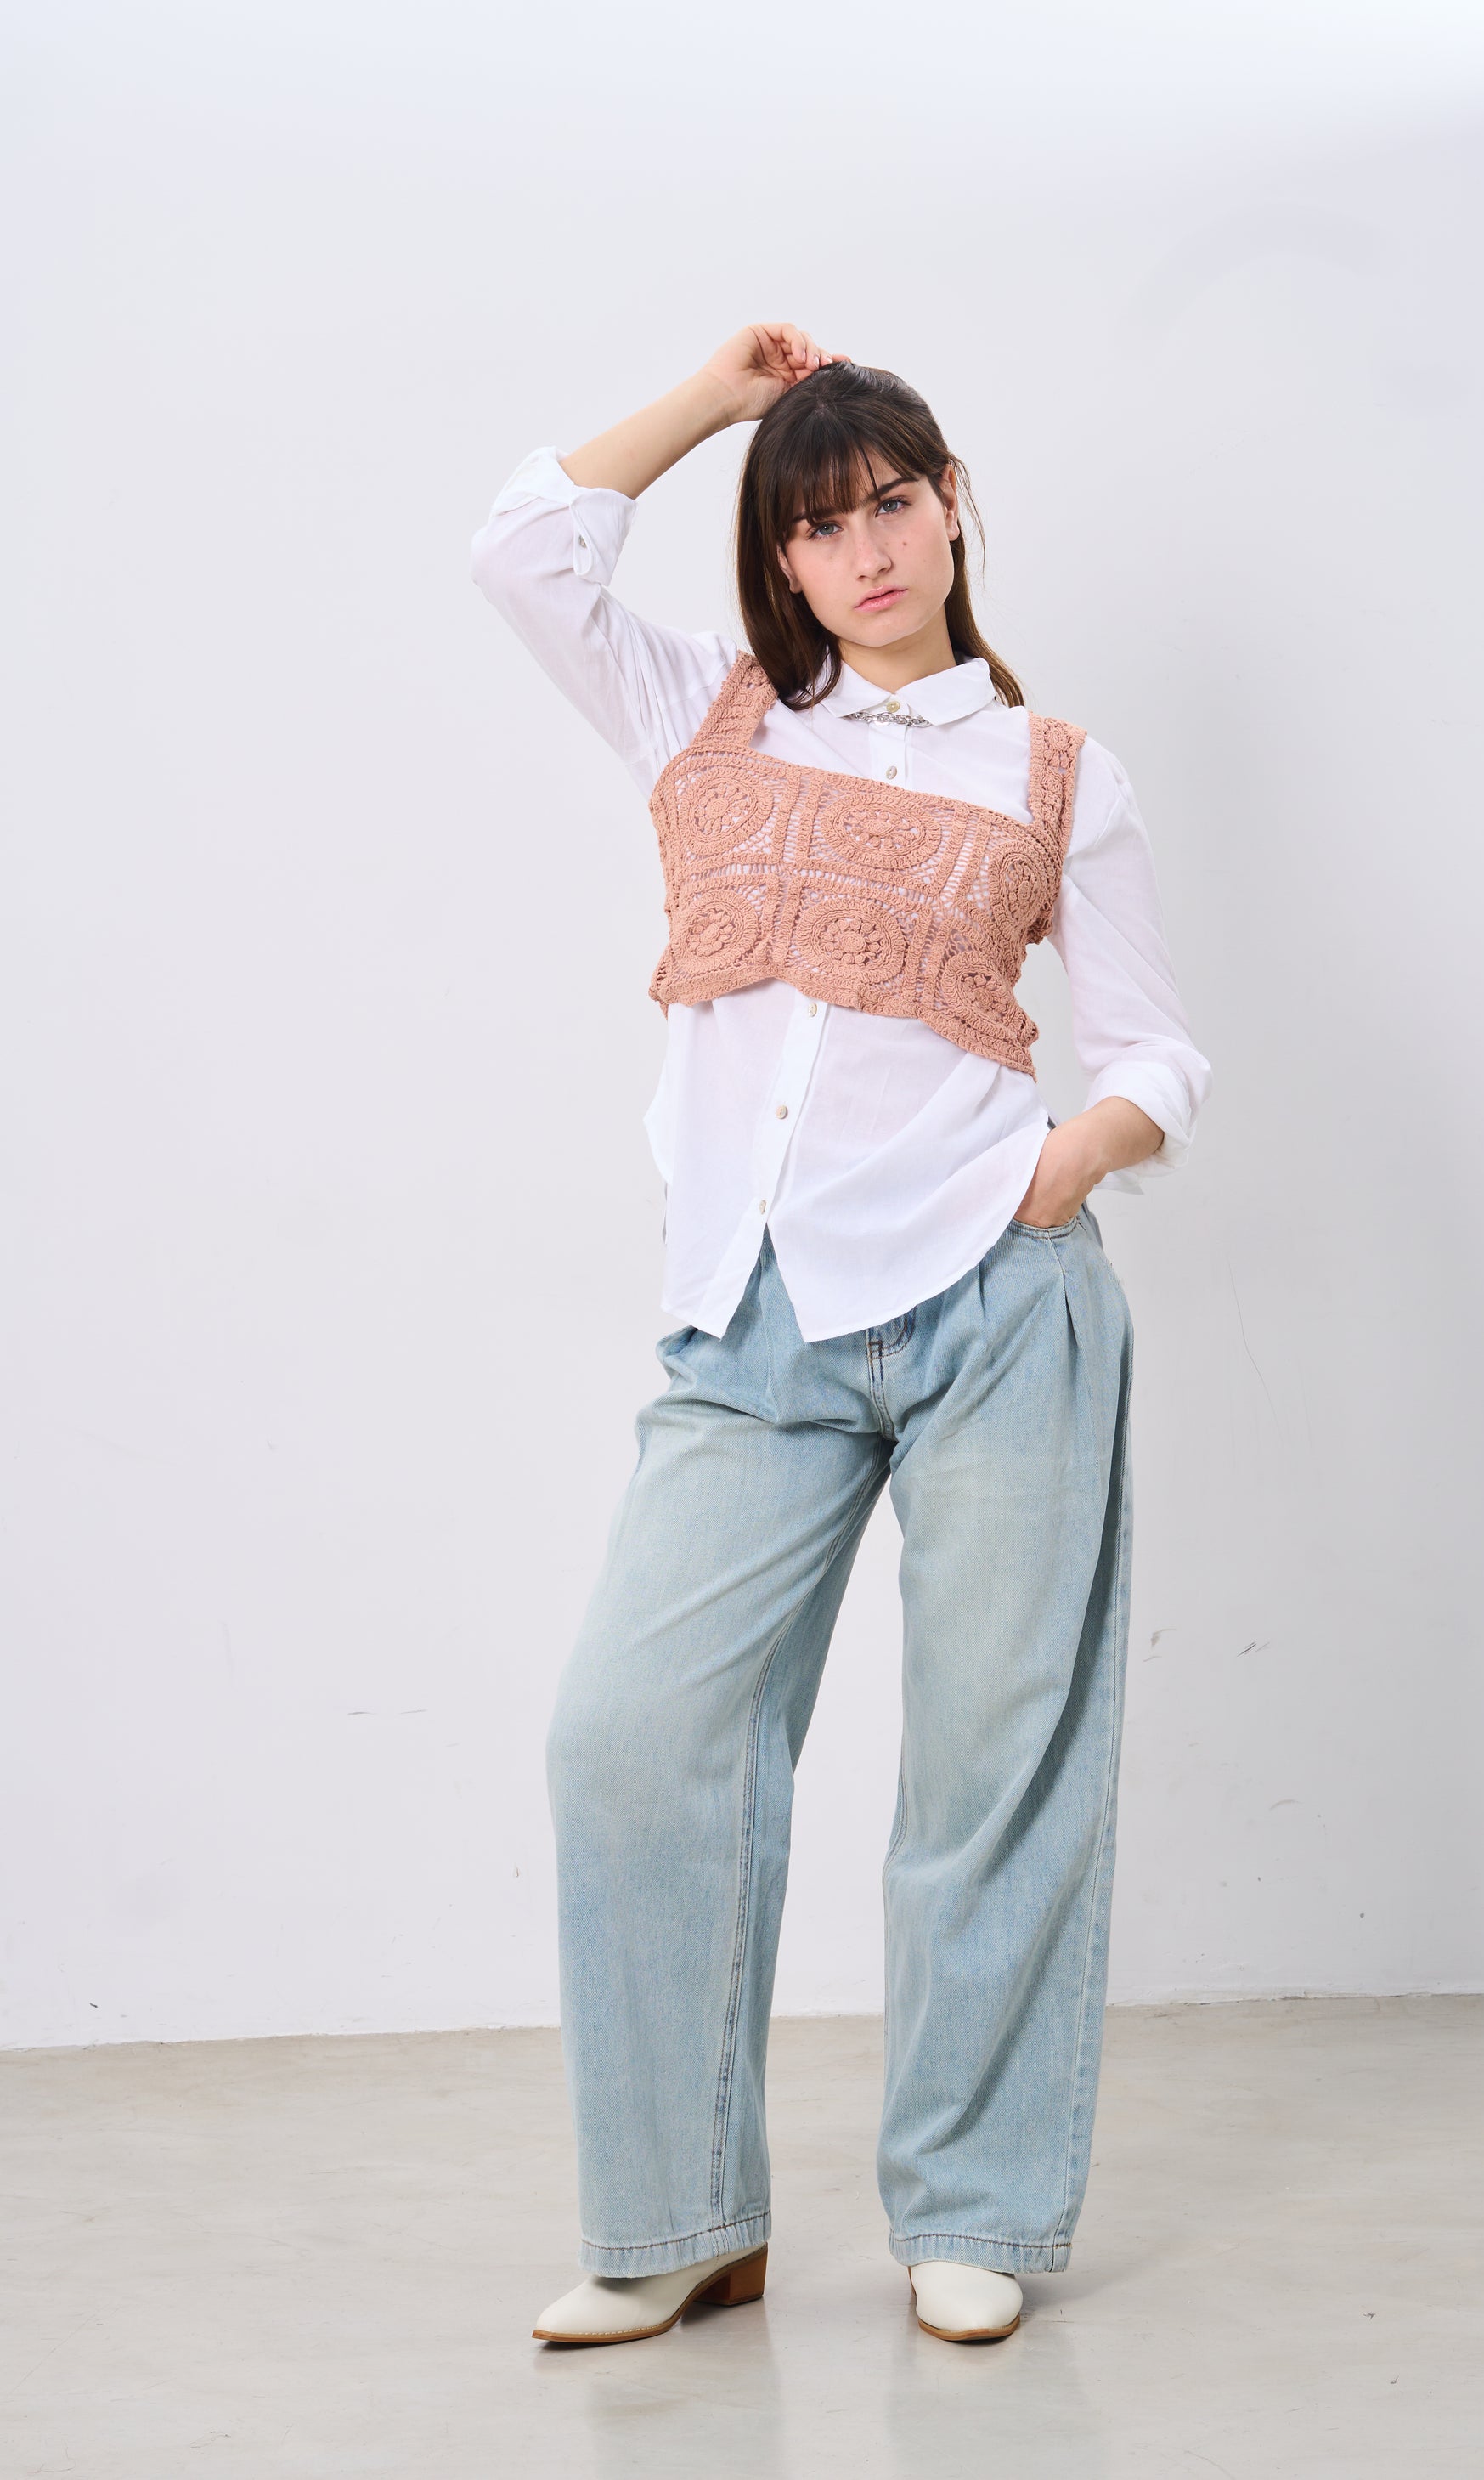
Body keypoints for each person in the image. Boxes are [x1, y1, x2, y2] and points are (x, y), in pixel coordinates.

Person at [470, 322, 1210, 2348]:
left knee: (991, 1767)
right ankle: (677, 2220)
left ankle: (973, 2207)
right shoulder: (699, 717)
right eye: (814, 525)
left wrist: (1063, 1166)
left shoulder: (1058, 772)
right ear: (780, 560)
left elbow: (1156, 1047)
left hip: (998, 1302)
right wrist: (718, 401)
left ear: (950, 504)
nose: (864, 549)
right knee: (632, 1735)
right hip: (752, 1320)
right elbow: (522, 550)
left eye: (890, 501)